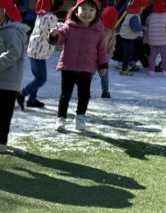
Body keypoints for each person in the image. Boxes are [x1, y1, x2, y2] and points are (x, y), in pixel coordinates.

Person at [49, 0, 110, 132]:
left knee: (84, 95)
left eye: (91, 10)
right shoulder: (68, 27)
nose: (87, 13)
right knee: (65, 94)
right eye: (84, 9)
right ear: (76, 11)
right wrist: (54, 36)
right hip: (68, 66)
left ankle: (80, 116)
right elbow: (59, 39)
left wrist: (103, 64)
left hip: (86, 68)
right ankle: (61, 118)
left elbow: (101, 50)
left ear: (96, 14)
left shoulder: (98, 31)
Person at [0, 0, 29, 154]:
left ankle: (1, 141)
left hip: (9, 80)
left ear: (2, 11)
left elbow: (14, 53)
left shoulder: (12, 31)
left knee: (3, 112)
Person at [21, 0, 61, 109]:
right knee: (41, 79)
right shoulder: (51, 17)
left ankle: (32, 100)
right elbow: (54, 30)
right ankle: (21, 94)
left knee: (37, 77)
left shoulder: (40, 15)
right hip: (39, 52)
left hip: (34, 50)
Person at [145, 0, 166, 76]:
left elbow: (147, 26)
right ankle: (165, 70)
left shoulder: (151, 16)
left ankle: (151, 71)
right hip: (163, 40)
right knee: (164, 55)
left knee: (152, 55)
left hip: (152, 40)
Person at [117, 0, 148, 75]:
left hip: (127, 37)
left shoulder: (132, 14)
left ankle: (124, 67)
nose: (143, 10)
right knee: (128, 54)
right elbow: (135, 28)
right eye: (142, 8)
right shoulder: (133, 16)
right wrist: (143, 27)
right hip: (126, 38)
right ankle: (124, 69)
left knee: (129, 54)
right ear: (138, 7)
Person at [99, 1, 119, 96]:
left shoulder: (112, 31)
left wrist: (107, 57)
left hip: (104, 57)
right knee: (89, 74)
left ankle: (105, 91)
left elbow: (112, 45)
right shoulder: (97, 28)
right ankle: (85, 90)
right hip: (93, 55)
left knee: (104, 75)